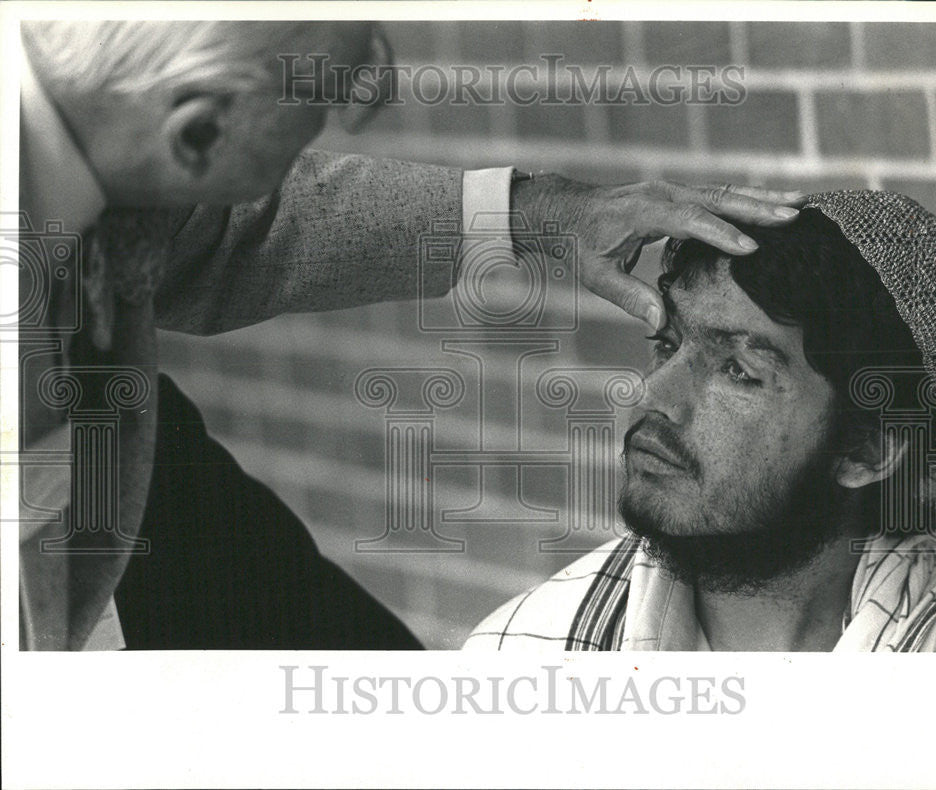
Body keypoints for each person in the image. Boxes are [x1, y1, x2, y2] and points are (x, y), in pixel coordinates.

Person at [16, 20, 805, 650]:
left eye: (739, 368)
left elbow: (230, 224)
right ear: (194, 135)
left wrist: (542, 213)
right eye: (299, 134)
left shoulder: (106, 132)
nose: (650, 394)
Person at [464, 191, 936, 653]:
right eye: (667, 344)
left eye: (738, 370)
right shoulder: (522, 653)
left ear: (868, 449)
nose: (652, 393)